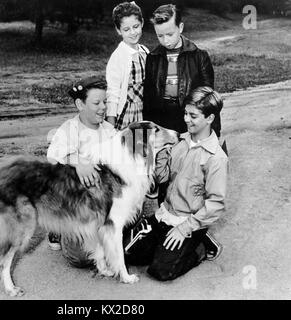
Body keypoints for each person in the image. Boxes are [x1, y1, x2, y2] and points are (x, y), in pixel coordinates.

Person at [126, 87, 228, 281]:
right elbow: (162, 179)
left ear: (210, 119)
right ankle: (165, 244)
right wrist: (159, 152)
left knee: (161, 271)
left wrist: (185, 228)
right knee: (131, 254)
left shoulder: (217, 159)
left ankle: (201, 246)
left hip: (188, 221)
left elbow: (216, 204)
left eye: (193, 116)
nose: (186, 119)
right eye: (185, 114)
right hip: (165, 214)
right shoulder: (179, 141)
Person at [46, 76, 116, 259]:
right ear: (80, 104)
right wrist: (78, 162)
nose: (103, 107)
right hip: (77, 205)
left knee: (120, 243)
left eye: (105, 102)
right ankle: (59, 228)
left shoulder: (108, 130)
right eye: (96, 103)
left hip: (102, 202)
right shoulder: (69, 129)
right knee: (82, 257)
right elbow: (53, 157)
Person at [143, 4, 218, 136]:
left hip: (189, 116)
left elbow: (208, 96)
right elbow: (148, 99)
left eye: (170, 34)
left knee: (190, 153)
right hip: (162, 117)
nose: (166, 41)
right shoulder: (152, 58)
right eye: (160, 36)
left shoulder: (199, 56)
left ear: (181, 27)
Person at [106, 1, 149, 130]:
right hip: (128, 114)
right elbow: (113, 92)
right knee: (128, 148)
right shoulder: (118, 57)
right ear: (118, 30)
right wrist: (110, 123)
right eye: (126, 29)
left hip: (145, 110)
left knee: (144, 147)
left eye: (136, 26)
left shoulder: (145, 52)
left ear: (142, 23)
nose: (132, 32)